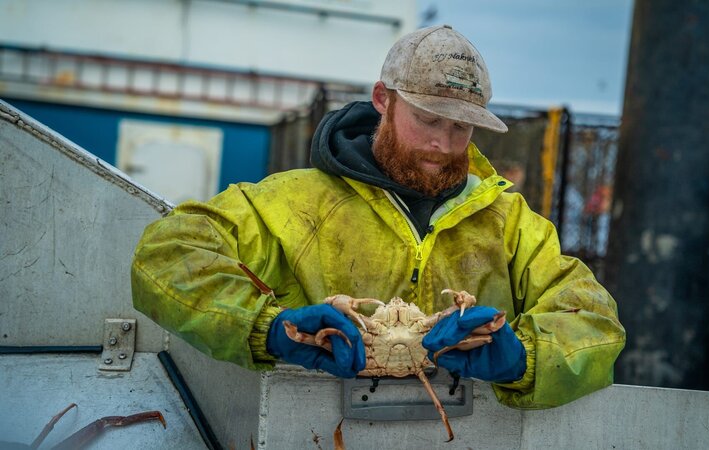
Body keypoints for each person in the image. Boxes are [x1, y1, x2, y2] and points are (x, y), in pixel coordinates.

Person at [131, 25, 625, 409]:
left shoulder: (511, 224)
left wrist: (525, 358)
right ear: (383, 100)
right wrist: (268, 328)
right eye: (428, 119)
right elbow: (166, 256)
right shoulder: (290, 201)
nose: (442, 143)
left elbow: (594, 322)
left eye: (461, 127)